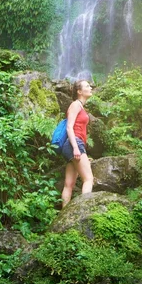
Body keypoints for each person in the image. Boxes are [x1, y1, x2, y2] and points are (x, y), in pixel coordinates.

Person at [61, 79, 94, 207]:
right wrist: (76, 148)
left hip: (73, 145)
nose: (90, 87)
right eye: (87, 86)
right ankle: (83, 210)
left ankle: (63, 215)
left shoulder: (80, 106)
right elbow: (69, 127)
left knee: (68, 185)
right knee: (89, 179)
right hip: (74, 143)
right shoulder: (75, 105)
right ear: (79, 91)